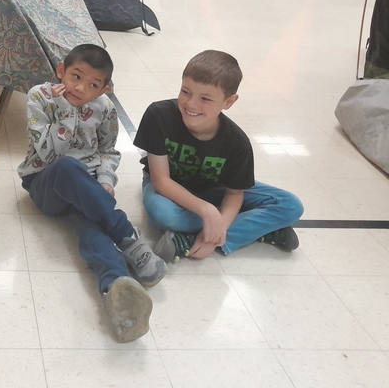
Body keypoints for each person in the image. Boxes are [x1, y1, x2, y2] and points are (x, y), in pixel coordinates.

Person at [17, 44, 166, 343]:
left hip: (89, 190)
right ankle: (127, 235)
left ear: (104, 89)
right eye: (75, 76)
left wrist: (107, 180)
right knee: (68, 167)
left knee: (89, 223)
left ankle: (115, 289)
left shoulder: (105, 109)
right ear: (61, 70)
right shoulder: (40, 97)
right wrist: (66, 110)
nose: (81, 88)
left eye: (93, 84)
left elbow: (108, 151)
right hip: (46, 182)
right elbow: (47, 156)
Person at [133, 50, 304, 263]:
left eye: (205, 98)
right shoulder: (158, 115)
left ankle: (192, 239)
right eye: (185, 92)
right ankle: (260, 230)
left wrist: (219, 223)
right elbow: (161, 182)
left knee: (290, 205)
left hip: (216, 189)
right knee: (162, 214)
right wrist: (207, 211)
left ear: (229, 101)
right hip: (170, 189)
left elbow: (234, 194)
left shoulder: (237, 141)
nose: (191, 104)